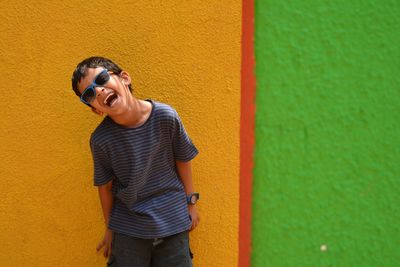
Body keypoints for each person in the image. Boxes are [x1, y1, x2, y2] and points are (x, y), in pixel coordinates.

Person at [71, 56, 200, 267]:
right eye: (89, 94)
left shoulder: (166, 116)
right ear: (95, 109)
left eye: (102, 79)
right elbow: (104, 186)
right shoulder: (101, 139)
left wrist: (191, 203)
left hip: (173, 220)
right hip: (129, 227)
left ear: (125, 78)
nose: (99, 91)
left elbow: (183, 158)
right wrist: (110, 228)